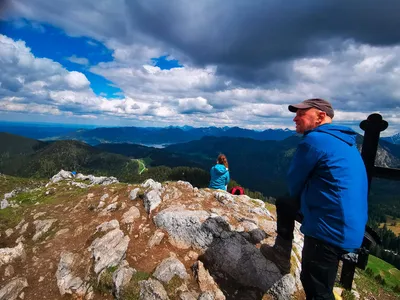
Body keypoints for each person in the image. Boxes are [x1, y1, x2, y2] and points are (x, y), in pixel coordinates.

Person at [261, 98, 368, 300]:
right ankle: (281, 253)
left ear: (320, 116)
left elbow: (294, 183)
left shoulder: (314, 141)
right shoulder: (345, 141)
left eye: (301, 114)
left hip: (328, 229)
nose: (295, 118)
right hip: (349, 225)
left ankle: (281, 253)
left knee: (316, 287)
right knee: (285, 204)